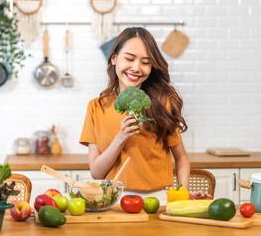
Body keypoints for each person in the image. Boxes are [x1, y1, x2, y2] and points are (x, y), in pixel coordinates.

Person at [79, 27, 211, 204]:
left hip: (158, 200)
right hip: (114, 200)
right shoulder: (96, 107)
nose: (136, 68)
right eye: (129, 58)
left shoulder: (162, 103)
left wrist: (183, 195)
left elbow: (181, 158)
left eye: (146, 62)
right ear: (114, 58)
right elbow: (96, 172)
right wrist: (121, 138)